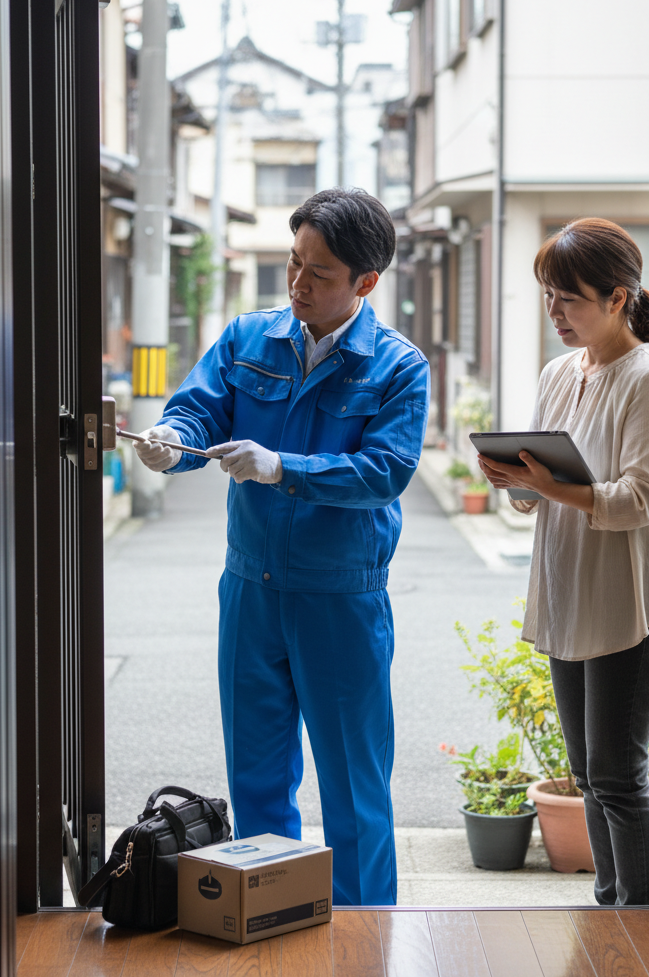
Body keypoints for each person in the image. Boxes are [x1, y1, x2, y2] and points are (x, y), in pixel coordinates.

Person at [133, 188, 430, 906]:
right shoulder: (247, 337)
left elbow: (385, 471)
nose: (298, 283)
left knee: (354, 788)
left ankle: (368, 937)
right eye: (293, 263)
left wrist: (281, 466)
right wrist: (172, 442)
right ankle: (266, 923)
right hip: (251, 588)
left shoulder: (397, 366)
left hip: (341, 594)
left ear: (365, 282)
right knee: (258, 779)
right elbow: (199, 410)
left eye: (319, 273)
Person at [478, 218, 649, 906]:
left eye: (568, 299)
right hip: (565, 589)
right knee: (587, 773)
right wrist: (522, 483)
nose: (554, 313)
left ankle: (638, 917)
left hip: (620, 599)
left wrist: (551, 487)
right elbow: (545, 493)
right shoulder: (560, 372)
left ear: (617, 298)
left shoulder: (645, 376)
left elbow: (639, 498)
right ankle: (611, 906)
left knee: (617, 773)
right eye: (548, 297)